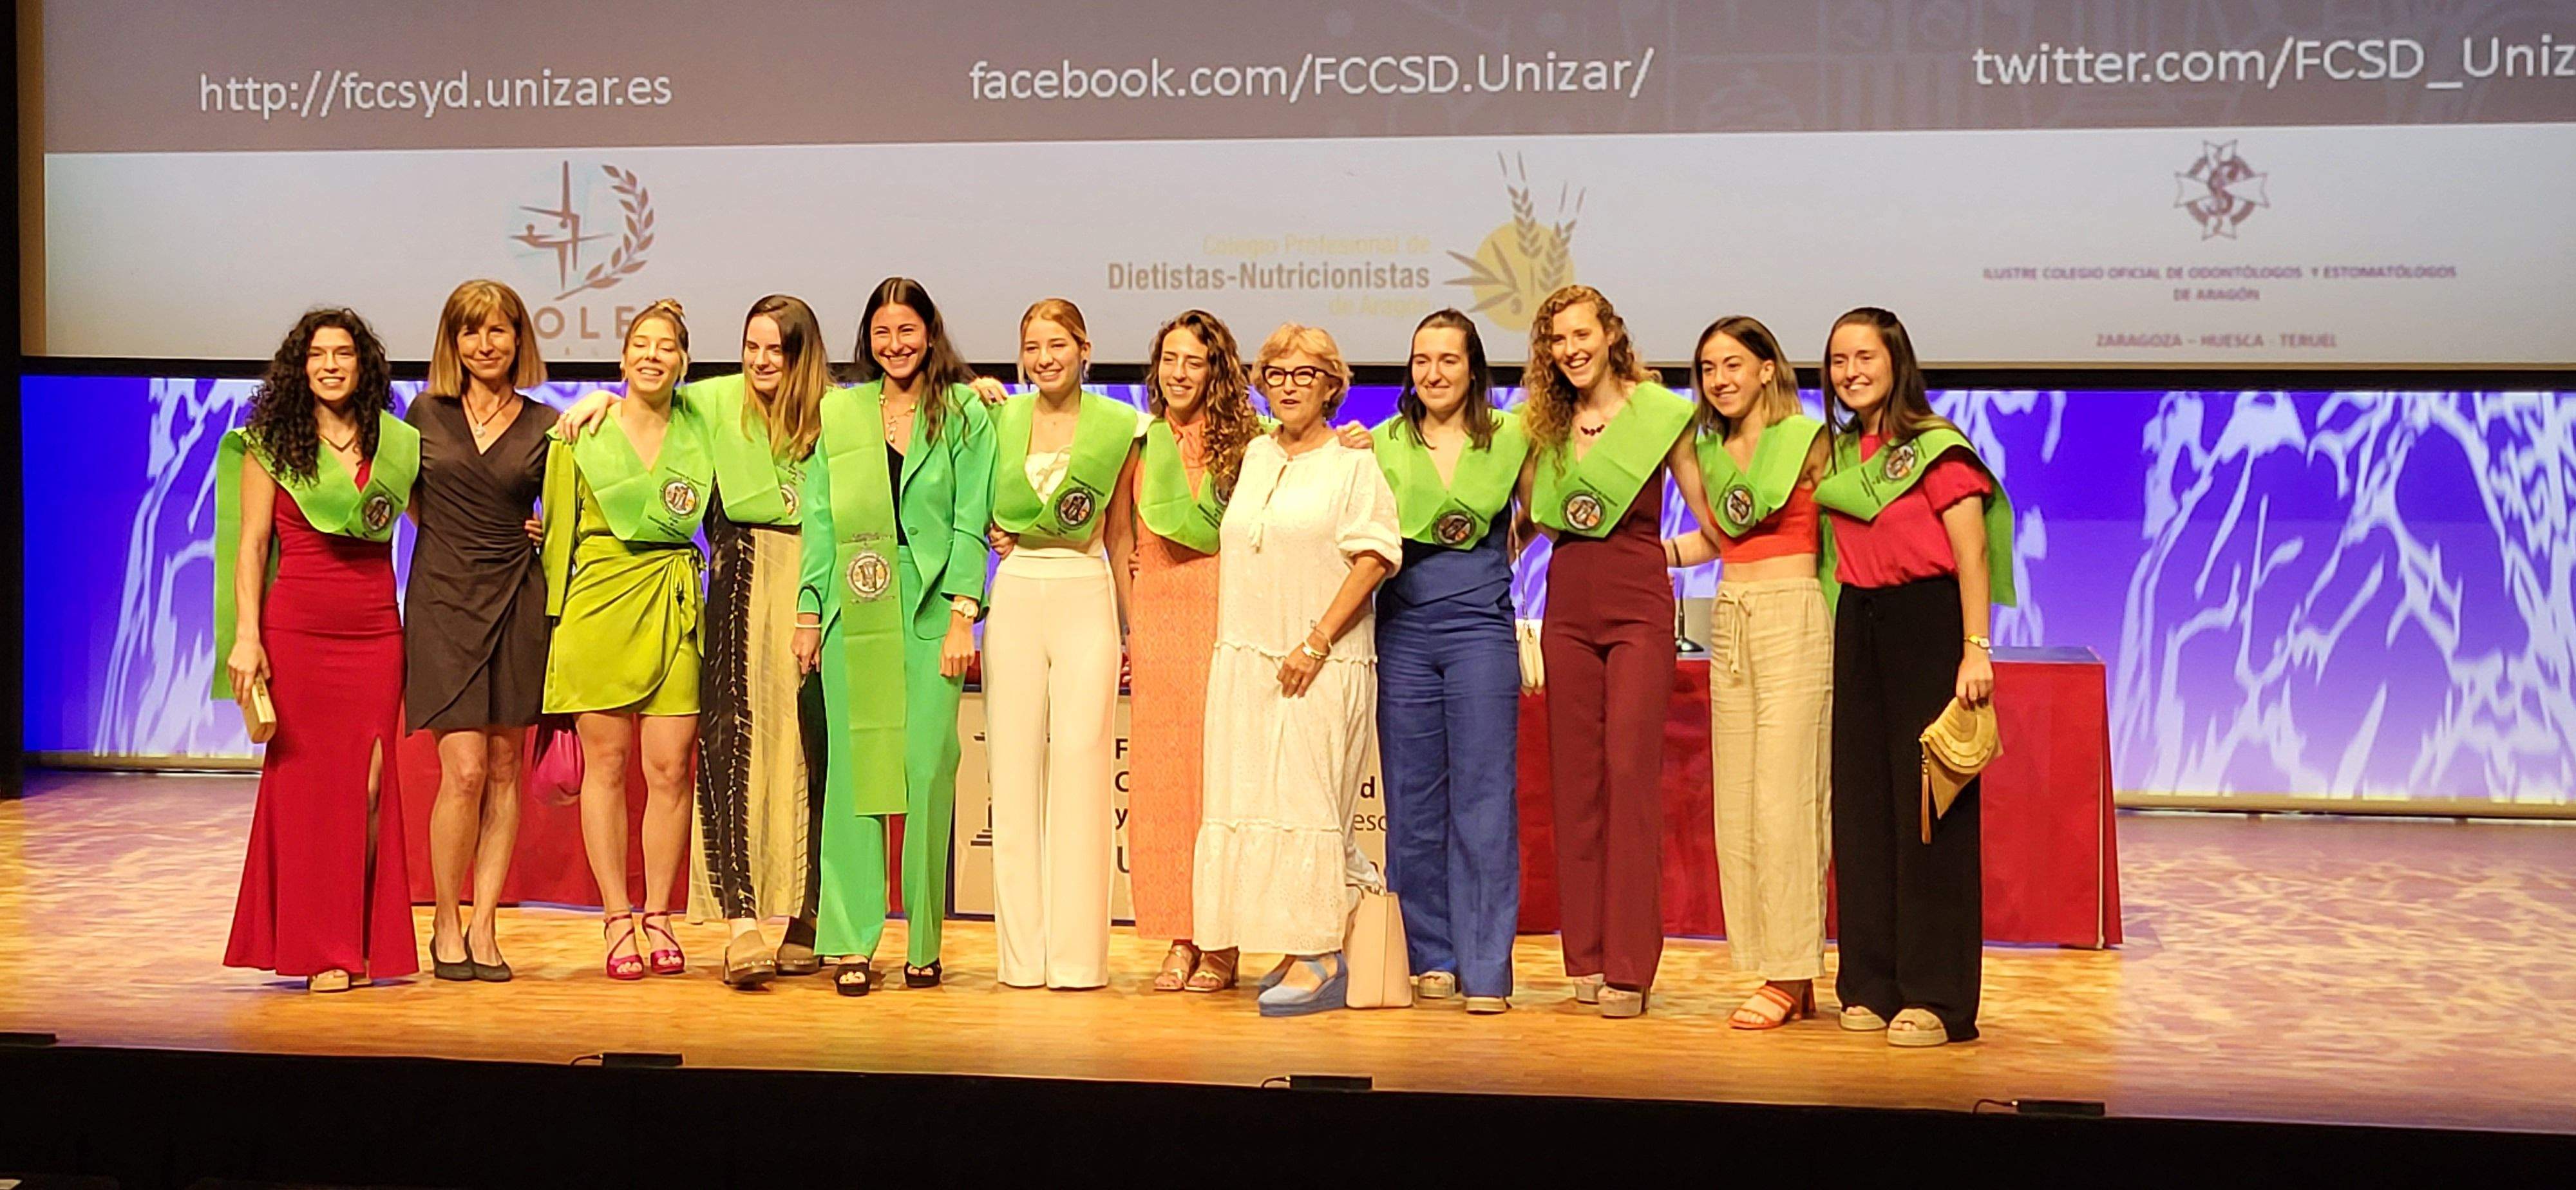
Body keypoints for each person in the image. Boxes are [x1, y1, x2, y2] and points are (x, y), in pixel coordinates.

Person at [1515, 284, 1727, 1019]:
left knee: (1631, 777)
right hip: (1566, 607)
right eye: (1556, 340)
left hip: (1638, 608)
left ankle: (1630, 967)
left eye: (1581, 334)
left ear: (1610, 335)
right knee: (1575, 784)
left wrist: (1659, 555)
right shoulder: (1543, 425)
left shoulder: (1659, 414)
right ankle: (1587, 956)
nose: (1570, 350)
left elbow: (1714, 528)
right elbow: (1526, 524)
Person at [1812, 307, 2016, 1047]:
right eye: (1837, 360)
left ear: (1896, 360)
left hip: (1928, 628)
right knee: (1864, 810)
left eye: (1864, 356)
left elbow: (1971, 556)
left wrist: (1976, 649)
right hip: (1857, 623)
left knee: (1931, 810)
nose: (1850, 372)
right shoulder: (1834, 452)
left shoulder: (1937, 449)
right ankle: (1871, 981)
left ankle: (1937, 996)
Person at [1193, 323, 1401, 1016]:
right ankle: (1292, 942)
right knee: (1256, 804)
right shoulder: (1253, 453)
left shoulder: (1353, 463)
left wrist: (1314, 643)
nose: (1288, 386)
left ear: (1332, 385)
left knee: (1311, 807)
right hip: (1247, 658)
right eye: (1277, 374)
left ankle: (1320, 953)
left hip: (1321, 660)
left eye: (1304, 374)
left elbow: (1373, 557)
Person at [798, 277, 995, 996]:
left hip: (932, 611)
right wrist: (809, 612)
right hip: (857, 611)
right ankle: (852, 941)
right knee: (854, 778)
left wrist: (963, 614)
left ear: (930, 332)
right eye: (882, 333)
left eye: (906, 330)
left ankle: (923, 940)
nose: (895, 345)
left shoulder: (966, 410)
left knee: (928, 767)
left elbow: (972, 516)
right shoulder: (841, 412)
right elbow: (820, 520)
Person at [218, 307, 421, 992]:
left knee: (368, 787)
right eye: (317, 354)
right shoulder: (271, 443)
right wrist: (248, 637)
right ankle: (322, 948)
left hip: (373, 629)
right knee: (308, 793)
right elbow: (250, 546)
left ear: (363, 365)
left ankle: (361, 939)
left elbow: (434, 519)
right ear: (299, 368)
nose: (330, 364)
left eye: (343, 353)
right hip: (298, 630)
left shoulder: (393, 443)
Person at [1660, 316, 1833, 1028]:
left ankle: (1791, 971)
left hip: (1795, 611)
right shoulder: (1711, 448)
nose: (1719, 379)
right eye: (1707, 368)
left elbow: (1830, 530)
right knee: (1738, 802)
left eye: (1733, 364)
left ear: (1767, 368)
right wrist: (1647, 557)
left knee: (1785, 799)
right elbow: (1719, 537)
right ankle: (1777, 966)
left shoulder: (1810, 437)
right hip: (1730, 612)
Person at [539, 298, 710, 981]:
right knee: (606, 768)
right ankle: (616, 917)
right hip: (598, 606)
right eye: (641, 343)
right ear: (622, 358)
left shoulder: (705, 429)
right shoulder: (578, 433)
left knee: (670, 769)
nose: (652, 355)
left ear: (684, 362)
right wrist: (551, 635)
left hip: (673, 603)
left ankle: (660, 912)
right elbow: (554, 541)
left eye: (666, 346)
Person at [1369, 309, 1527, 1015]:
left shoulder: (1514, 437)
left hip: (1480, 637)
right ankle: (1428, 955)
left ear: (1473, 369)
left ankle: (1486, 965)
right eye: (1421, 359)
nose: (1433, 373)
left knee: (1485, 803)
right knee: (1412, 803)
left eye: (1448, 360)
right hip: (1403, 633)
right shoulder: (1377, 444)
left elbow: (1548, 508)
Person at [983, 299, 1140, 990]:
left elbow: (1122, 536)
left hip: (1086, 589)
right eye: (1031, 347)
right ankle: (1021, 958)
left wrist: (1134, 628)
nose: (1044, 358)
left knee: (1081, 768)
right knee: (1012, 774)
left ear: (1084, 349)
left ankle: (1077, 960)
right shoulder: (996, 416)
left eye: (1057, 344)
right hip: (1015, 590)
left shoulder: (1121, 425)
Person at [406, 279, 555, 985]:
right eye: (472, 332)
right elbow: (405, 502)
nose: (485, 344)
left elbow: (560, 512)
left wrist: (540, 531)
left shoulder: (548, 423)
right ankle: (443, 918)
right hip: (441, 603)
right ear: (454, 343)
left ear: (519, 340)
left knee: (503, 771)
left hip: (517, 603)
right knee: (461, 771)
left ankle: (487, 924)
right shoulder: (423, 415)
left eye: (499, 331)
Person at [1124, 310, 1262, 993]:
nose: (1179, 374)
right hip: (1157, 623)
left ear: (1217, 372)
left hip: (1223, 616)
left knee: (1219, 784)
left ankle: (1222, 936)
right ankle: (1178, 933)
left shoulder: (1248, 446)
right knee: (1164, 788)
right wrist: (1129, 623)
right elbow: (1124, 543)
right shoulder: (1137, 443)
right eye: (1169, 360)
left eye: (1194, 362)